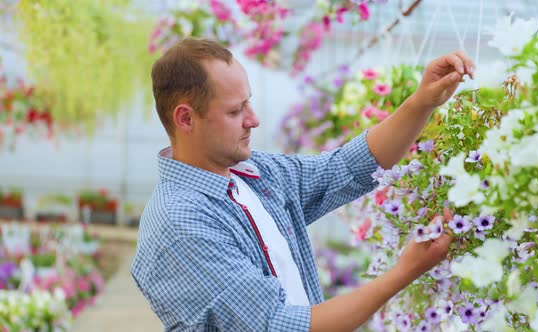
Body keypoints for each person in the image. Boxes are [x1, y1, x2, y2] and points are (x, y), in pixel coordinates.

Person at [131, 37, 474, 332]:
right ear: (185, 118)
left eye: (248, 101)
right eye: (236, 111)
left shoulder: (253, 173)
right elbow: (279, 325)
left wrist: (422, 101)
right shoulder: (181, 223)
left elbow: (345, 168)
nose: (254, 119)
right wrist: (405, 271)